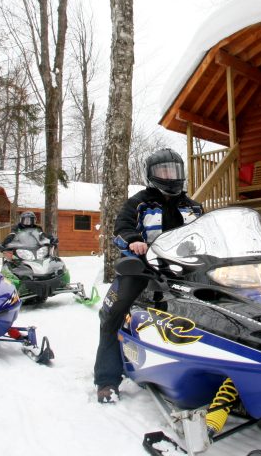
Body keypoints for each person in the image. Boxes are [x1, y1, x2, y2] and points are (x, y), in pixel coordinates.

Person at [93, 148, 203, 403]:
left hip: (189, 270)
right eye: (163, 170)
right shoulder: (139, 202)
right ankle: (107, 379)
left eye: (174, 170)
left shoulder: (193, 206)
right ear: (150, 174)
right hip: (145, 268)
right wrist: (133, 241)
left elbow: (211, 233)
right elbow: (122, 227)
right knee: (113, 313)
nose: (169, 175)